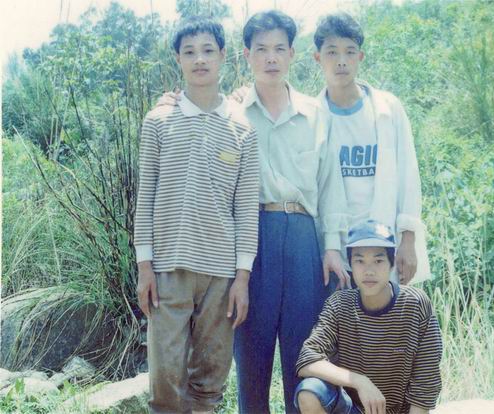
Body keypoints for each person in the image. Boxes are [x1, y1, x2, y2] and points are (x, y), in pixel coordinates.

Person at [133, 16, 259, 414]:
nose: (199, 59)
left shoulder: (243, 129)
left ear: (223, 56)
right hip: (168, 269)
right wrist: (144, 267)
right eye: (189, 52)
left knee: (210, 380)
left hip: (221, 275)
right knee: (165, 381)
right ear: (178, 59)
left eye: (207, 51)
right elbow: (145, 197)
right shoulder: (157, 121)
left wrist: (242, 278)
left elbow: (246, 210)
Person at [232, 11, 349, 413]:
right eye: (261, 49)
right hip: (253, 238)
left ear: (292, 54)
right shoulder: (233, 113)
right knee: (251, 353)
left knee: (304, 354)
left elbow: (331, 186)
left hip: (303, 238)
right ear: (247, 55)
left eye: (279, 48)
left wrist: (331, 247)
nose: (271, 58)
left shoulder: (315, 114)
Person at [313, 12, 430, 286]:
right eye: (332, 52)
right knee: (339, 312)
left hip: (384, 243)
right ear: (317, 57)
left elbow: (409, 176)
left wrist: (408, 239)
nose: (341, 61)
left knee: (390, 312)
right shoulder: (311, 116)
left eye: (349, 51)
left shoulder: (388, 109)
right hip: (336, 249)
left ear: (361, 57)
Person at [295, 220, 443, 414]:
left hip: (398, 411)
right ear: (350, 264)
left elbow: (426, 381)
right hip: (353, 409)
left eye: (378, 261)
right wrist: (359, 381)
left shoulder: (415, 304)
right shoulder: (339, 305)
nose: (369, 271)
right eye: (360, 261)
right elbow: (307, 360)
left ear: (392, 263)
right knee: (309, 392)